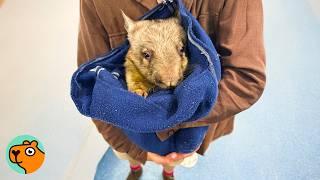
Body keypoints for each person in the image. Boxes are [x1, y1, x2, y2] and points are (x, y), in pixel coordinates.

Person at [77, 0, 266, 179]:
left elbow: (246, 78)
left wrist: (173, 119)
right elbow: (91, 84)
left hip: (195, 128)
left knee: (174, 159)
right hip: (130, 125)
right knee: (131, 156)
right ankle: (135, 167)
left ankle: (168, 172)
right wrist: (132, 148)